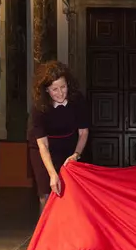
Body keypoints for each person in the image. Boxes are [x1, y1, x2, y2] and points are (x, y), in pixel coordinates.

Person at [27, 61, 89, 211]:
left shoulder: (77, 100)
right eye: (54, 89)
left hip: (69, 145)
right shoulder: (39, 107)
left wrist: (76, 154)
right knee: (46, 194)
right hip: (43, 148)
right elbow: (43, 145)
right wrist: (52, 174)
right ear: (46, 90)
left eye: (63, 87)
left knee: (71, 192)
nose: (60, 93)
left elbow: (83, 132)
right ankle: (46, 233)